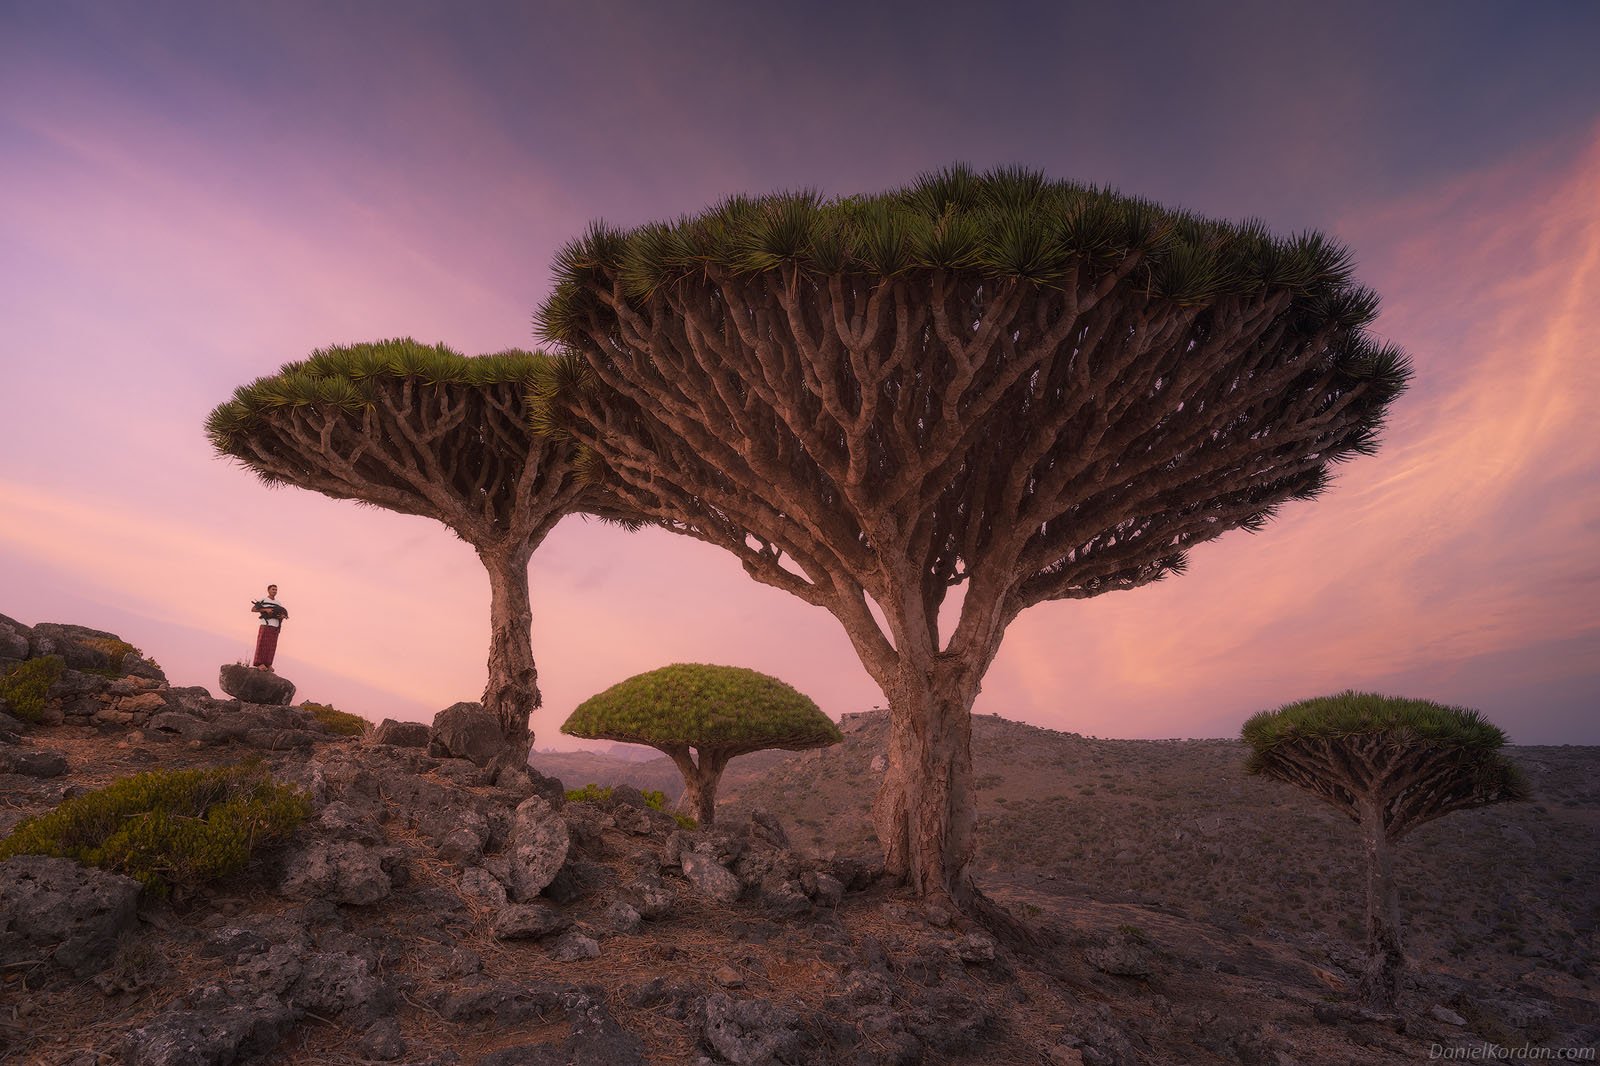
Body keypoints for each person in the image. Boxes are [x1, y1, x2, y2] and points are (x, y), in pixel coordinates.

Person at [250, 584, 288, 671]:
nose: (274, 591)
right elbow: (253, 609)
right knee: (262, 644)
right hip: (265, 624)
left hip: (275, 626)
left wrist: (281, 616)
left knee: (272, 646)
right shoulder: (264, 600)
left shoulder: (278, 603)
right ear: (268, 590)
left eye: (276, 590)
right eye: (273, 589)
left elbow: (279, 612)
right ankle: (259, 663)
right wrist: (265, 610)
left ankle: (268, 664)